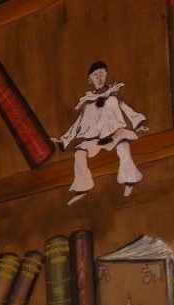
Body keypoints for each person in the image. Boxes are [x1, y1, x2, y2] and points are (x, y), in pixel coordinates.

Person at [56, 61, 149, 204]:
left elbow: (126, 109)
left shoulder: (113, 95)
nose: (99, 77)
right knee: (79, 153)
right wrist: (64, 139)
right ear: (90, 79)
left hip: (114, 134)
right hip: (96, 139)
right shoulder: (88, 101)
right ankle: (82, 188)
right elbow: (78, 123)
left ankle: (129, 181)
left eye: (101, 73)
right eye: (95, 75)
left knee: (123, 146)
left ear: (106, 74)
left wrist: (139, 123)